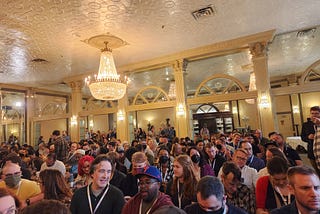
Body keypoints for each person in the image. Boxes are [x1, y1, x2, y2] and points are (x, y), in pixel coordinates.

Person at [301, 106, 320, 176]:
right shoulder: (306, 125)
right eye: (312, 113)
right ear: (310, 114)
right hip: (311, 150)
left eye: (316, 113)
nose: (314, 115)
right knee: (317, 172)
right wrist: (308, 137)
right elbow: (303, 137)